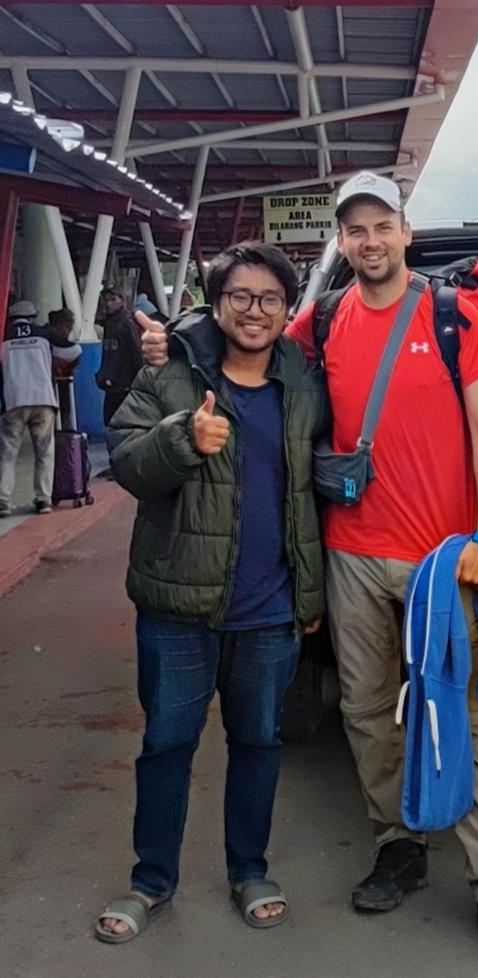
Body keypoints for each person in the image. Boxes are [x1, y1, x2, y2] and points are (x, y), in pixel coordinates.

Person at [286, 171, 478, 964]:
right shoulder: (320, 321)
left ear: (405, 231)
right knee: (364, 709)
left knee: (467, 716)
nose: (368, 242)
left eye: (380, 226)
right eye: (352, 230)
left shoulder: (455, 315)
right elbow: (240, 346)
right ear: (340, 241)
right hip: (352, 552)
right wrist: (169, 342)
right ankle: (398, 844)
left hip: (443, 558)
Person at [94, 243, 326, 943]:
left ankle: (248, 868)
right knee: (167, 743)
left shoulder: (305, 382)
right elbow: (128, 464)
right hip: (176, 606)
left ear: (288, 311)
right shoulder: (170, 376)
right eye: (240, 297)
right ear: (216, 302)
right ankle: (150, 881)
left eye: (269, 299)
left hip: (271, 608)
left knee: (257, 741)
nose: (254, 311)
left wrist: (312, 596)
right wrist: (182, 438)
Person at [0, 300, 81, 517]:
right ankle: (43, 500)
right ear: (33, 316)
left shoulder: (3, 335)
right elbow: (74, 350)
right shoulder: (44, 334)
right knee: (44, 452)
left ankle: (3, 501)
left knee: (7, 454)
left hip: (14, 400)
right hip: (43, 399)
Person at [96, 286, 143, 425]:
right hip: (114, 384)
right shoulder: (110, 323)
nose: (108, 303)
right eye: (106, 300)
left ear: (122, 300)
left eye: (113, 299)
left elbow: (136, 351)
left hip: (124, 384)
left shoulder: (126, 323)